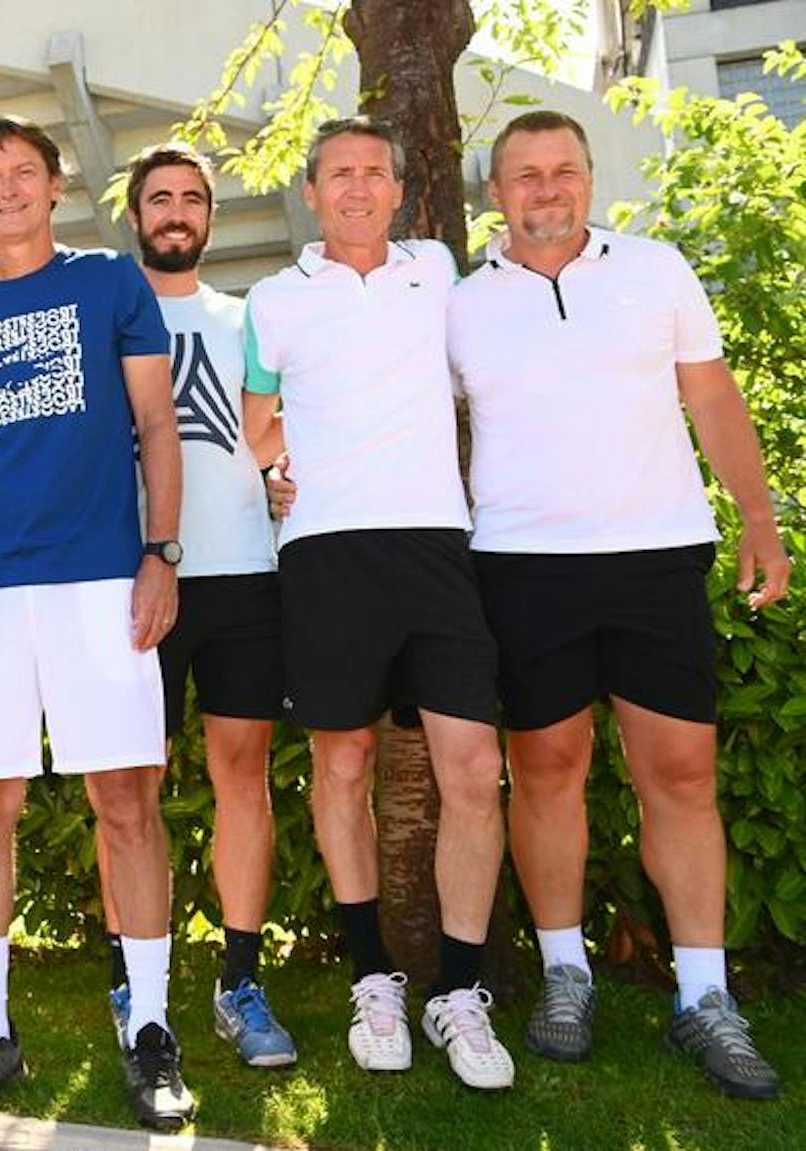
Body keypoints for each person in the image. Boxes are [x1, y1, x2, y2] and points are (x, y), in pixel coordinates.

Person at [451, 110, 787, 1099]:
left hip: (653, 559)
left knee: (679, 775)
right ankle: (563, 973)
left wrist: (757, 519)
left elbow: (712, 400)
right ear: (494, 193)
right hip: (519, 564)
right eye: (523, 175)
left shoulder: (655, 270)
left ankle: (702, 995)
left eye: (561, 172)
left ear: (589, 181)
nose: (544, 190)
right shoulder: (461, 304)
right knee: (545, 768)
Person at [0, 115, 195, 1131]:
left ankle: (151, 1029)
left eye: (21, 171)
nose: (5, 188)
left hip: (97, 580)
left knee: (124, 799)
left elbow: (156, 425)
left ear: (52, 184)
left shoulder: (108, 283)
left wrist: (159, 552)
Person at [239, 116, 513, 1092]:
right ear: (309, 193)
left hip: (437, 544)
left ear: (398, 190)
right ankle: (371, 979)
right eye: (336, 174)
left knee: (473, 767)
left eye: (371, 172)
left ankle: (459, 992)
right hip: (324, 552)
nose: (355, 187)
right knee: (341, 758)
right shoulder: (272, 300)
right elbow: (254, 415)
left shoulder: (437, 269)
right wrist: (276, 473)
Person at [113, 143, 295, 1068]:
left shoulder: (249, 316)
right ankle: (127, 976)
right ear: (135, 214)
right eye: (160, 198)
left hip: (243, 576)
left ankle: (239, 976)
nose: (176, 212)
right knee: (128, 784)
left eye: (192, 199)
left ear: (210, 218)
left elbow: (276, 434)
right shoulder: (104, 315)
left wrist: (285, 477)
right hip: (134, 577)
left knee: (241, 773)